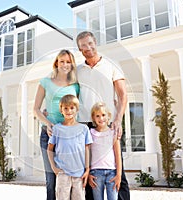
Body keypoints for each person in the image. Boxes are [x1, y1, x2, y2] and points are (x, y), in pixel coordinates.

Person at [76, 31, 130, 200]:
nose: (88, 47)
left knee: (116, 166)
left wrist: (118, 120)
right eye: (83, 45)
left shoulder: (111, 65)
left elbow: (123, 95)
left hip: (108, 123)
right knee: (89, 170)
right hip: (85, 124)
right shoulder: (77, 71)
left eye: (90, 43)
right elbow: (69, 95)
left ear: (96, 43)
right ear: (79, 49)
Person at [33, 49, 79, 200]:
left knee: (69, 178)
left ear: (72, 64)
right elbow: (36, 109)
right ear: (56, 63)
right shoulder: (45, 82)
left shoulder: (75, 85)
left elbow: (76, 109)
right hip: (49, 135)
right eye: (62, 61)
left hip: (68, 137)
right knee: (51, 178)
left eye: (68, 61)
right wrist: (47, 123)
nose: (65, 65)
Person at [47, 94, 93, 200]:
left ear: (77, 109)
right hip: (63, 173)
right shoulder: (57, 129)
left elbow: (87, 148)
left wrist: (87, 169)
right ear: (61, 110)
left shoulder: (84, 129)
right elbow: (50, 149)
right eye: (65, 108)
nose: (69, 111)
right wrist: (54, 167)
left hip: (79, 173)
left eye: (72, 108)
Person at [89, 102, 122, 200]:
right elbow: (87, 154)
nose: (101, 118)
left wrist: (119, 175)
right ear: (93, 118)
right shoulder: (90, 133)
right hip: (96, 173)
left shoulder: (113, 133)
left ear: (108, 116)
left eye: (103, 115)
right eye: (97, 116)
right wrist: (89, 173)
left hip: (112, 173)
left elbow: (118, 155)